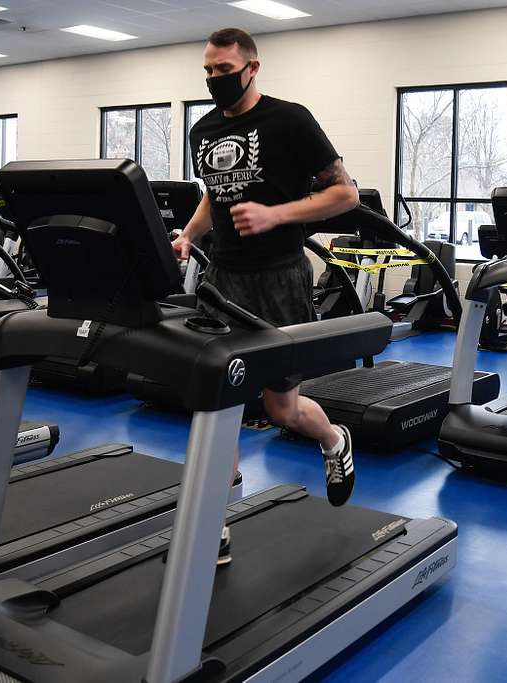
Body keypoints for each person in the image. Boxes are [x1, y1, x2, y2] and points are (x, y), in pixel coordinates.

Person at [172, 28, 359, 565]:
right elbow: (216, 194)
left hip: (279, 277)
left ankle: (334, 441)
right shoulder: (203, 130)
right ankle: (215, 522)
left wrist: (277, 213)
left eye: (224, 71)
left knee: (281, 409)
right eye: (207, 72)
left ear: (252, 69)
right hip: (222, 281)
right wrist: (189, 234)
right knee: (216, 402)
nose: (214, 80)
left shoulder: (290, 120)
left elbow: (343, 193)